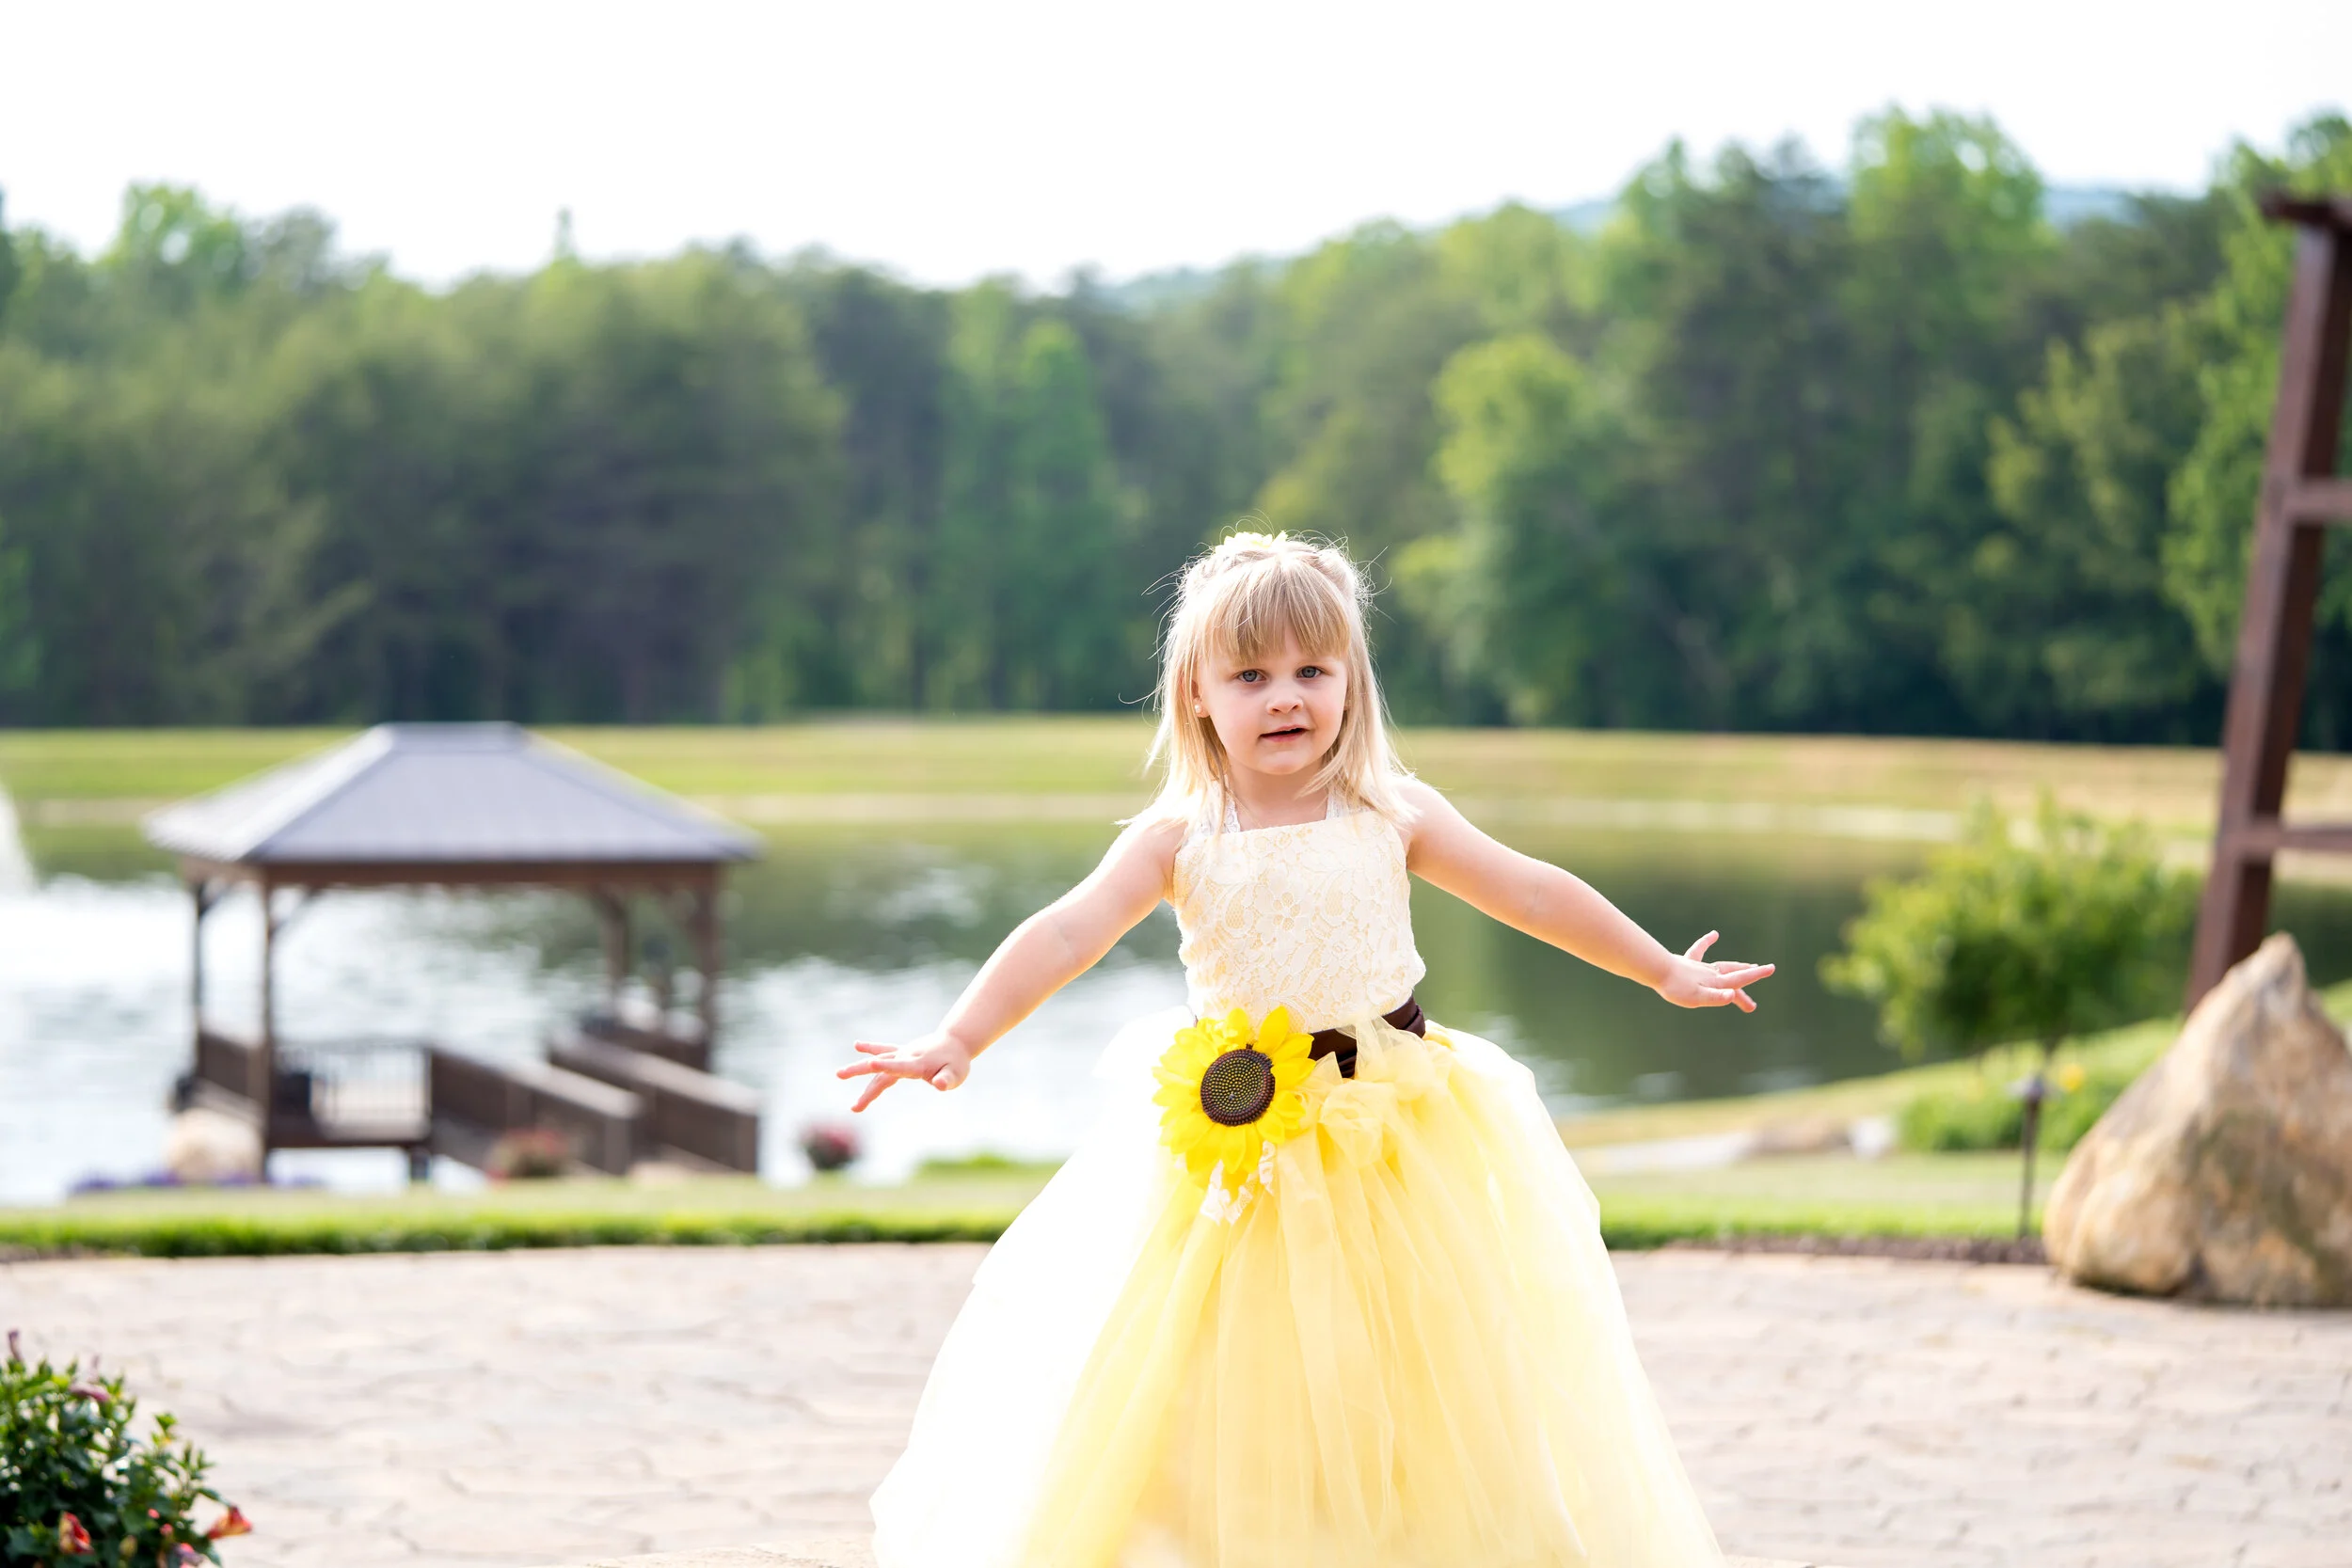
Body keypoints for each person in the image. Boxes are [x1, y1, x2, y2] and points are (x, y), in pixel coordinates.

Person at [841, 531, 1773, 1568]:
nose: (1284, 695)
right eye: (1251, 674)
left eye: (1310, 671)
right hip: (1244, 1154)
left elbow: (1530, 889)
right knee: (1227, 1382)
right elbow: (1066, 931)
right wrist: (958, 1033)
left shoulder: (1391, 810)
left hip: (1400, 1141)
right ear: (1197, 691)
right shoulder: (1176, 835)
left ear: (1349, 681)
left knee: (1417, 1372)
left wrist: (1658, 967)